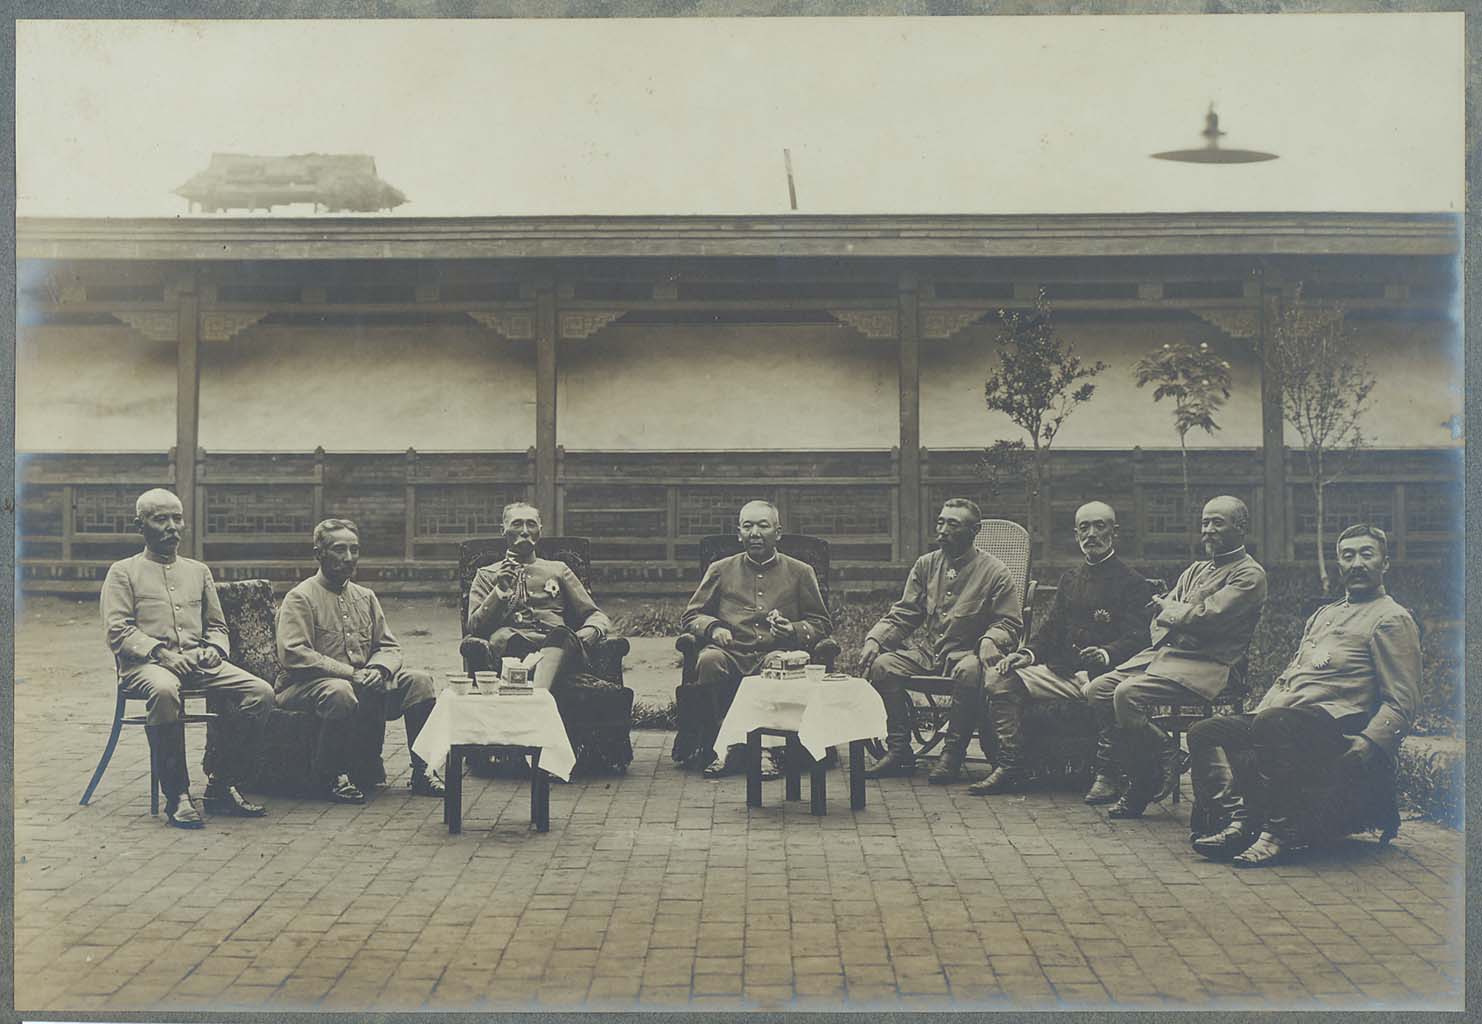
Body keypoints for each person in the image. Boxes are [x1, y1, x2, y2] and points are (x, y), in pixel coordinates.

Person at [1187, 524, 1419, 866]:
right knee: (1205, 732)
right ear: (1339, 563)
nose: (1356, 563)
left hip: (1336, 727)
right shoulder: (1325, 614)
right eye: (1348, 555)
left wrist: (1370, 743)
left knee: (1273, 723)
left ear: (1385, 563)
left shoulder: (1391, 618)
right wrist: (1255, 714)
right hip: (1286, 719)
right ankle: (1240, 820)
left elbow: (1403, 699)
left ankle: (1278, 833)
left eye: (1366, 554)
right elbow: (1292, 676)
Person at [1084, 495, 1267, 819]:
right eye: (1205, 523)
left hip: (1209, 666)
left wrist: (1177, 615)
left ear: (1241, 528)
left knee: (1127, 694)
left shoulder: (1249, 575)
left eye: (1217, 523)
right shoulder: (1196, 569)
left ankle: (1141, 784)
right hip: (1166, 656)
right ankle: (1166, 753)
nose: (1208, 530)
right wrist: (1179, 618)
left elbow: (1209, 617)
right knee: (1098, 690)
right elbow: (1159, 618)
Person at [100, 488, 272, 828]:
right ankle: (177, 796)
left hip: (198, 663)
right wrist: (161, 653)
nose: (171, 527)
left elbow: (218, 626)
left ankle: (222, 783)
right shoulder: (123, 572)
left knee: (261, 693)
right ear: (140, 525)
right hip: (145, 667)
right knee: (165, 691)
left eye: (177, 518)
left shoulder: (198, 571)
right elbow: (117, 631)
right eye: (160, 519)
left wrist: (215, 648)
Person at [969, 501, 1155, 795]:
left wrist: (1106, 652)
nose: (1091, 534)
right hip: (1064, 673)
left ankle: (1109, 774)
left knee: (1103, 692)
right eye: (1084, 527)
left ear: (1114, 532)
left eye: (1099, 526)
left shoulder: (1133, 583)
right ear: (1076, 533)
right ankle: (1011, 765)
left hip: (1106, 674)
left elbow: (1139, 637)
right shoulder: (1070, 579)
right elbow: (1050, 630)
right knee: (999, 678)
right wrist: (1026, 654)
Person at [275, 518, 443, 804]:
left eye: (354, 550)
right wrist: (349, 673)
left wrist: (379, 668)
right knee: (339, 692)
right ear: (319, 554)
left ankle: (423, 771)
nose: (349, 558)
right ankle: (332, 776)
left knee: (420, 682)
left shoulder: (365, 597)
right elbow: (294, 653)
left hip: (364, 684)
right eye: (340, 550)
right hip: (305, 688)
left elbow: (389, 646)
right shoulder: (300, 597)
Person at [858, 498, 1022, 783]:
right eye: (941, 522)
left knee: (970, 671)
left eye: (953, 524)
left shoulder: (995, 572)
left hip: (969, 654)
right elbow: (905, 613)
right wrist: (876, 639)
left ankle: (952, 753)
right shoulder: (926, 565)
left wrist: (990, 640)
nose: (943, 530)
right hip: (930, 653)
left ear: (974, 531)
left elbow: (1009, 623)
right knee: (884, 665)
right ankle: (899, 750)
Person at [680, 499, 833, 778]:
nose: (755, 533)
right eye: (747, 526)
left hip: (774, 654)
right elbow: (691, 616)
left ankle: (766, 751)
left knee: (776, 665)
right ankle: (724, 747)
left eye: (763, 525)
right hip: (731, 653)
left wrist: (794, 631)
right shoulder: (720, 569)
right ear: (738, 533)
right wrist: (713, 629)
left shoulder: (800, 572)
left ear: (778, 532)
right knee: (709, 660)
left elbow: (821, 622)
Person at [462, 502, 612, 691]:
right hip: (513, 649)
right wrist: (499, 590)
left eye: (531, 524)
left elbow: (594, 614)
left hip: (559, 645)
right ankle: (543, 692)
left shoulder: (558, 569)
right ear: (503, 530)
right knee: (503, 638)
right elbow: (474, 627)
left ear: (540, 530)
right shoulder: (487, 575)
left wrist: (593, 629)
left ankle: (539, 693)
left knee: (561, 634)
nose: (525, 531)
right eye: (517, 524)